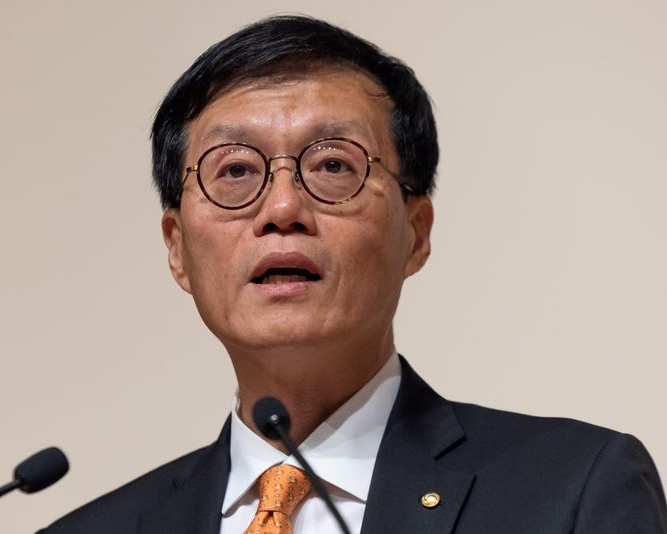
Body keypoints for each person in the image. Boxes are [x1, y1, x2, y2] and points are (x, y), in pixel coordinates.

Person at [39, 15, 667, 533]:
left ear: (415, 234)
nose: (282, 209)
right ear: (177, 249)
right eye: (234, 171)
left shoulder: (574, 491)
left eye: (334, 166)